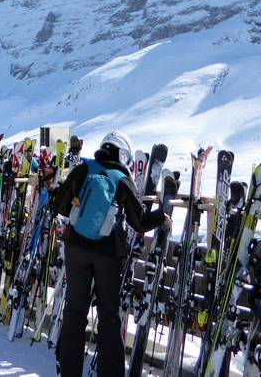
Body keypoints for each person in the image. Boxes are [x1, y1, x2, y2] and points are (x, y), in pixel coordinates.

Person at [53, 130, 169, 377]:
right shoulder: (122, 179)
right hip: (107, 253)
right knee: (108, 316)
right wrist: (161, 217)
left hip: (76, 247)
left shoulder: (84, 169)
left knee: (75, 312)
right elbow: (139, 223)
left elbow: (60, 206)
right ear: (123, 154)